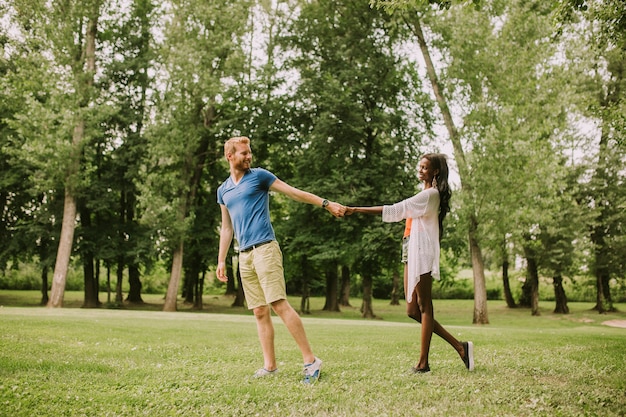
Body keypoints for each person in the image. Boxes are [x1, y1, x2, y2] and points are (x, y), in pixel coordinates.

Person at [216, 136, 346, 384]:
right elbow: (226, 228)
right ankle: (270, 366)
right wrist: (221, 259)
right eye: (243, 153)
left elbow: (294, 193)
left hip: (265, 248)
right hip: (244, 255)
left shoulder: (260, 177)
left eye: (249, 152)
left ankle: (311, 361)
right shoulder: (223, 190)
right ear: (229, 156)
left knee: (278, 304)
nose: (249, 156)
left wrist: (325, 203)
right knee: (259, 312)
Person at [346, 153, 474, 373]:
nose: (420, 170)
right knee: (412, 310)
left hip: (421, 250)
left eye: (425, 167)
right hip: (409, 248)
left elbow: (397, 209)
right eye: (420, 166)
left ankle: (423, 364)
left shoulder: (431, 195)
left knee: (425, 306)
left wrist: (355, 209)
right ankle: (460, 346)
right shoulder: (425, 194)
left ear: (435, 171)